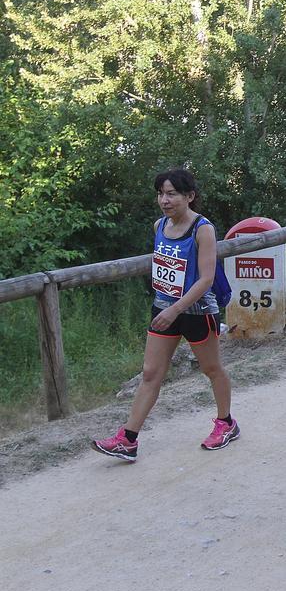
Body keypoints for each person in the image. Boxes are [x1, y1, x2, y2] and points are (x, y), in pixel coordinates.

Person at [91, 170, 236, 462]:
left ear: (190, 196)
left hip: (196, 311)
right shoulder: (159, 226)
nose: (164, 200)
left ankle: (226, 423)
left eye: (172, 194)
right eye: (160, 194)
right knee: (150, 374)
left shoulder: (203, 229)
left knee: (211, 369)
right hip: (163, 309)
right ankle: (128, 439)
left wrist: (175, 309)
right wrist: (166, 307)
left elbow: (206, 279)